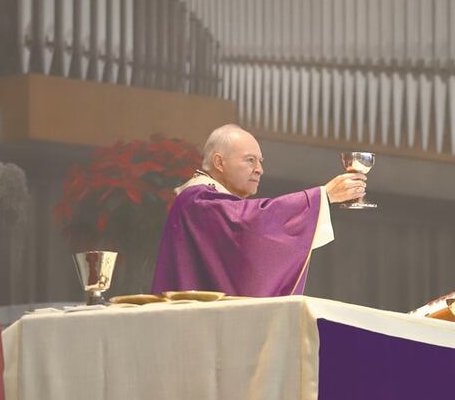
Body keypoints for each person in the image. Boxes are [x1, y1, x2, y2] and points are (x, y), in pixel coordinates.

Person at [151, 124, 367, 297]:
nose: (260, 169)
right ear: (219, 162)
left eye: (260, 161)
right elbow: (249, 223)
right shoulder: (198, 200)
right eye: (250, 160)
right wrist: (322, 196)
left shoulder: (206, 199)